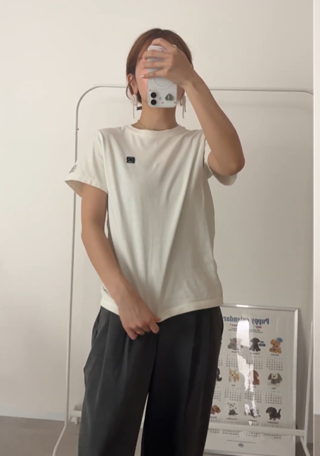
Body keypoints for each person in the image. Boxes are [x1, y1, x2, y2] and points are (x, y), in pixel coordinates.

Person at [65, 28, 245, 456]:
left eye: (172, 63)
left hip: (192, 314)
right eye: (151, 63)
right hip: (122, 313)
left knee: (177, 445)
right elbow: (91, 227)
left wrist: (192, 80)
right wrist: (124, 296)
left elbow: (233, 161)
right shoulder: (107, 142)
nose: (161, 70)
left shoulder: (198, 145)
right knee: (102, 442)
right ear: (132, 82)